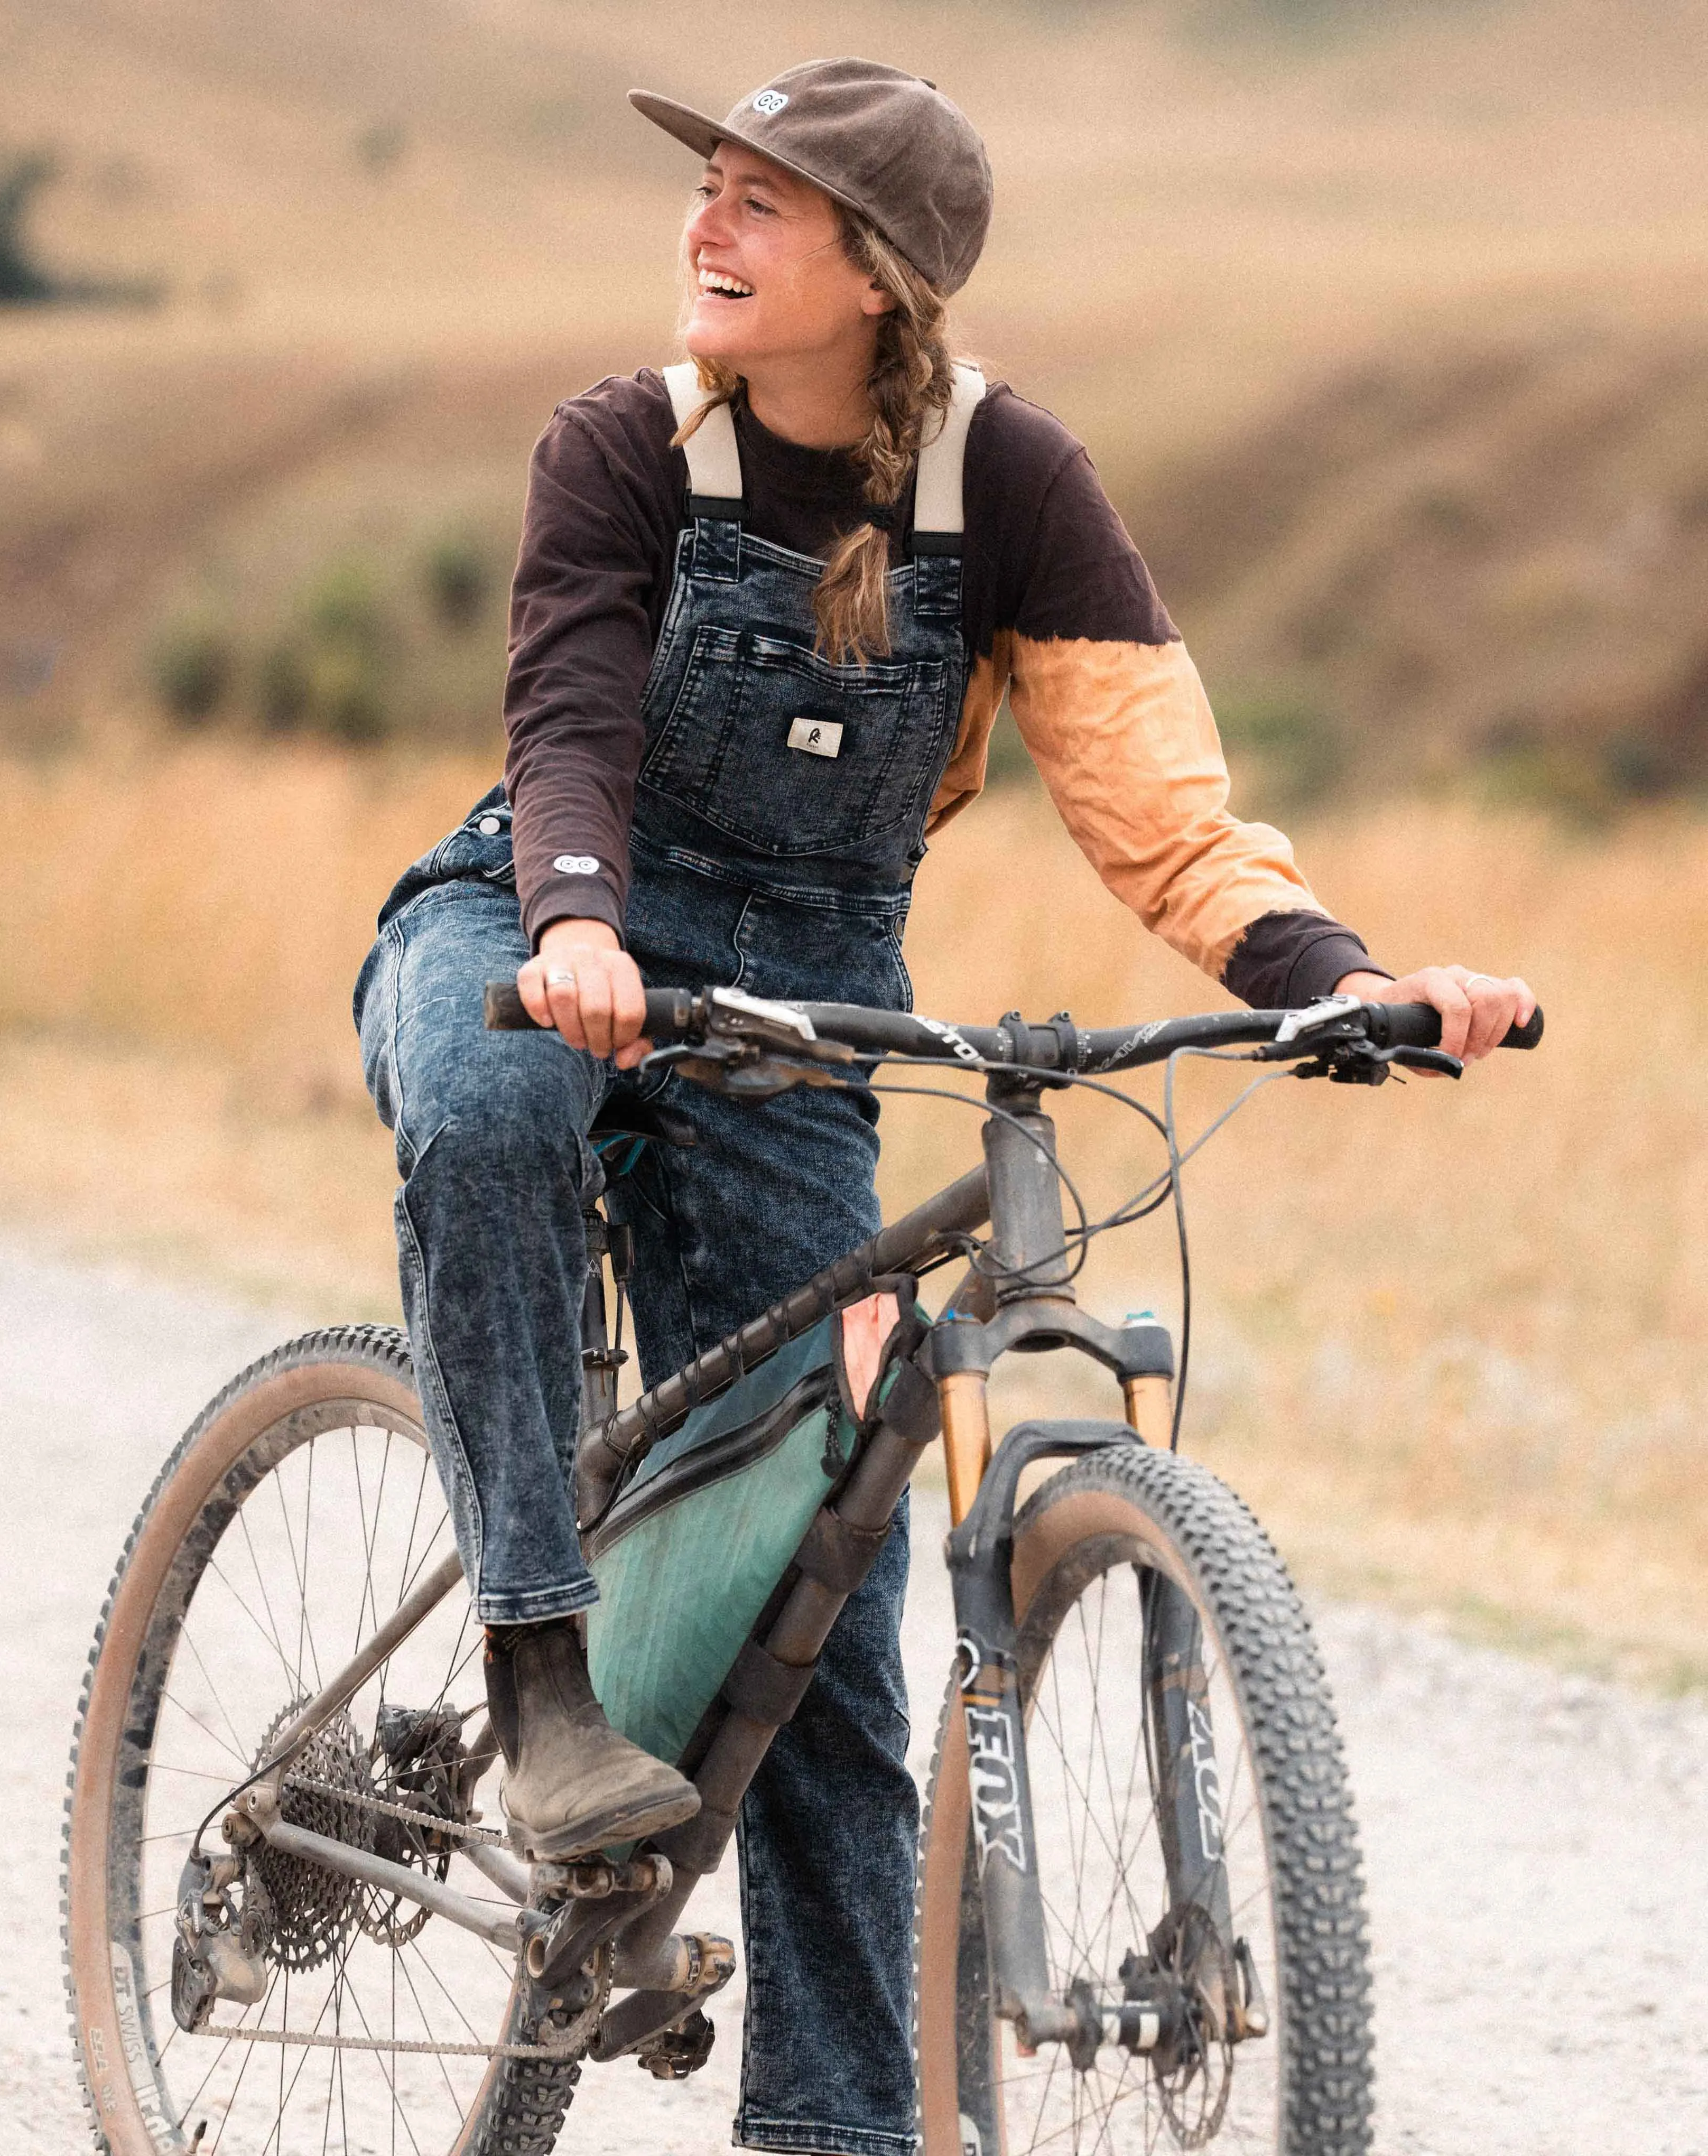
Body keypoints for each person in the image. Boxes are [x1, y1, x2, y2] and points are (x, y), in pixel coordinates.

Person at [354, 58, 1535, 2156]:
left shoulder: (1019, 490)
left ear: (881, 281)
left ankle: (835, 2130)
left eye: (760, 207)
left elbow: (1163, 811)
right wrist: (578, 926)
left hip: (808, 1012)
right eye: (703, 191)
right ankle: (539, 1674)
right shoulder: (628, 444)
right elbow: (566, 723)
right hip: (547, 921)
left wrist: (1343, 981)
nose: (706, 229)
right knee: (486, 1110)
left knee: (821, 1610)